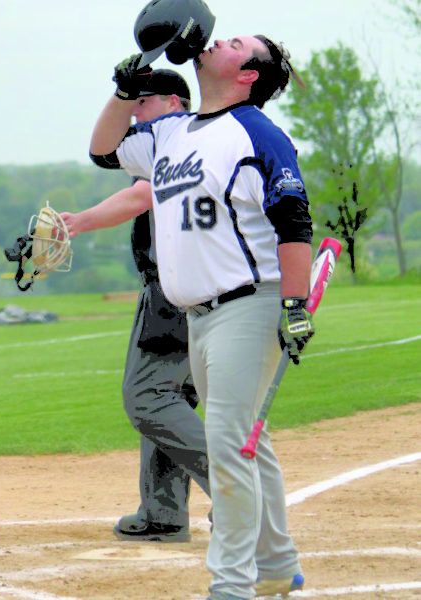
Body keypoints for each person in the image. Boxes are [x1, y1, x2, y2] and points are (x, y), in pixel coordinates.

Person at [90, 35, 313, 600]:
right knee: (247, 444)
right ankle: (277, 565)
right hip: (200, 316)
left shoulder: (258, 133)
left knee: (230, 442)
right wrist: (123, 89)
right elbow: (102, 150)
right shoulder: (172, 131)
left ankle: (231, 584)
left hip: (250, 303)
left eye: (238, 43)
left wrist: (295, 303)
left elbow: (293, 221)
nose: (219, 39)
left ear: (247, 75)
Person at [63, 69, 210, 543]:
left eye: (140, 104)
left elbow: (140, 195)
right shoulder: (185, 138)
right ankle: (164, 512)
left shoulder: (177, 140)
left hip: (173, 290)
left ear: (172, 101)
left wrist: (79, 222)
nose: (134, 114)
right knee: (170, 398)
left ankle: (238, 492)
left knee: (147, 398)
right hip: (186, 287)